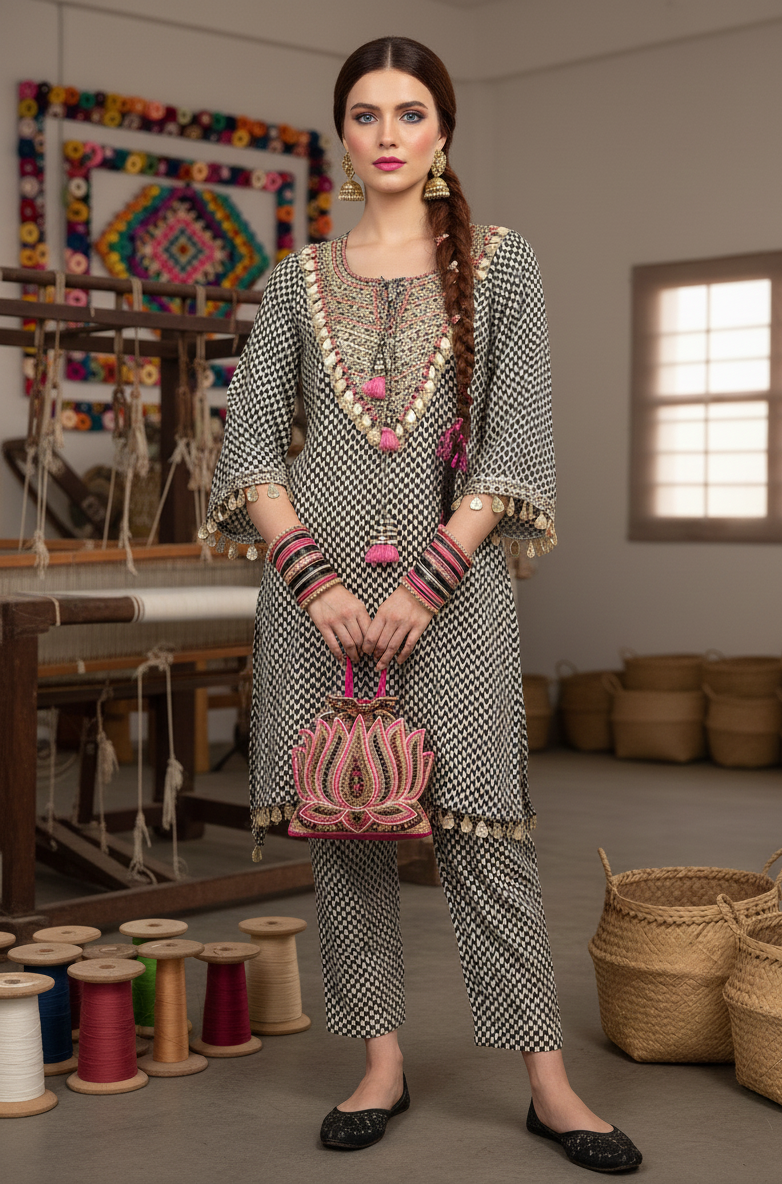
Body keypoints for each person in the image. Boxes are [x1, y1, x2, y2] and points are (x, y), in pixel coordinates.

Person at [204, 35, 642, 1173]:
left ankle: (545, 1079)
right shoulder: (293, 278)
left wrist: (427, 579)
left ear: (442, 133)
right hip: (318, 603)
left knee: (482, 830)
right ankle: (380, 1059)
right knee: (345, 832)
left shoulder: (499, 263)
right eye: (364, 114)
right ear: (341, 135)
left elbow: (516, 442)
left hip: (451, 595)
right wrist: (309, 573)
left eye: (408, 113)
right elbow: (248, 445)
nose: (387, 134)